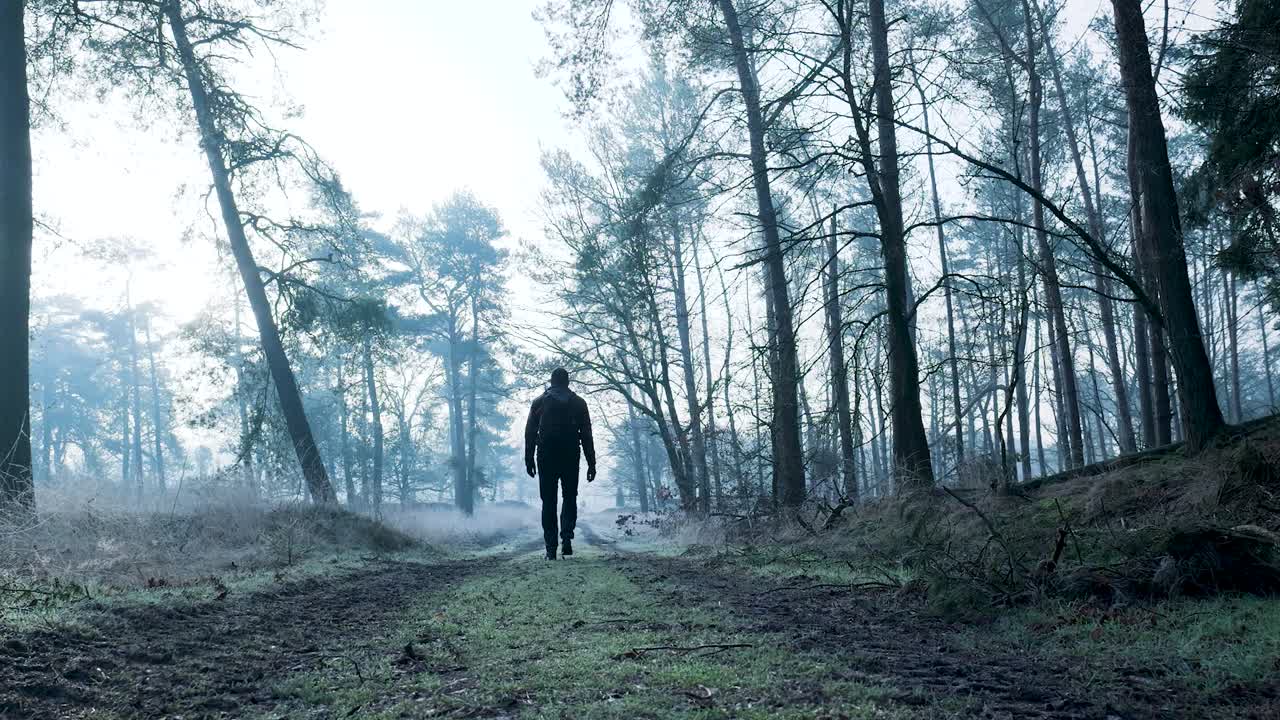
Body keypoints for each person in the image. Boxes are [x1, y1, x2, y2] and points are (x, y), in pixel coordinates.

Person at [524, 367, 595, 560]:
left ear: (551, 381)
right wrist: (591, 462)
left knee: (549, 501)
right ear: (568, 382)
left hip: (546, 456)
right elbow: (586, 435)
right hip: (571, 455)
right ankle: (567, 539)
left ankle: (550, 548)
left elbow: (530, 432)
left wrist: (528, 458)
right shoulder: (579, 403)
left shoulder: (539, 402)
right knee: (570, 496)